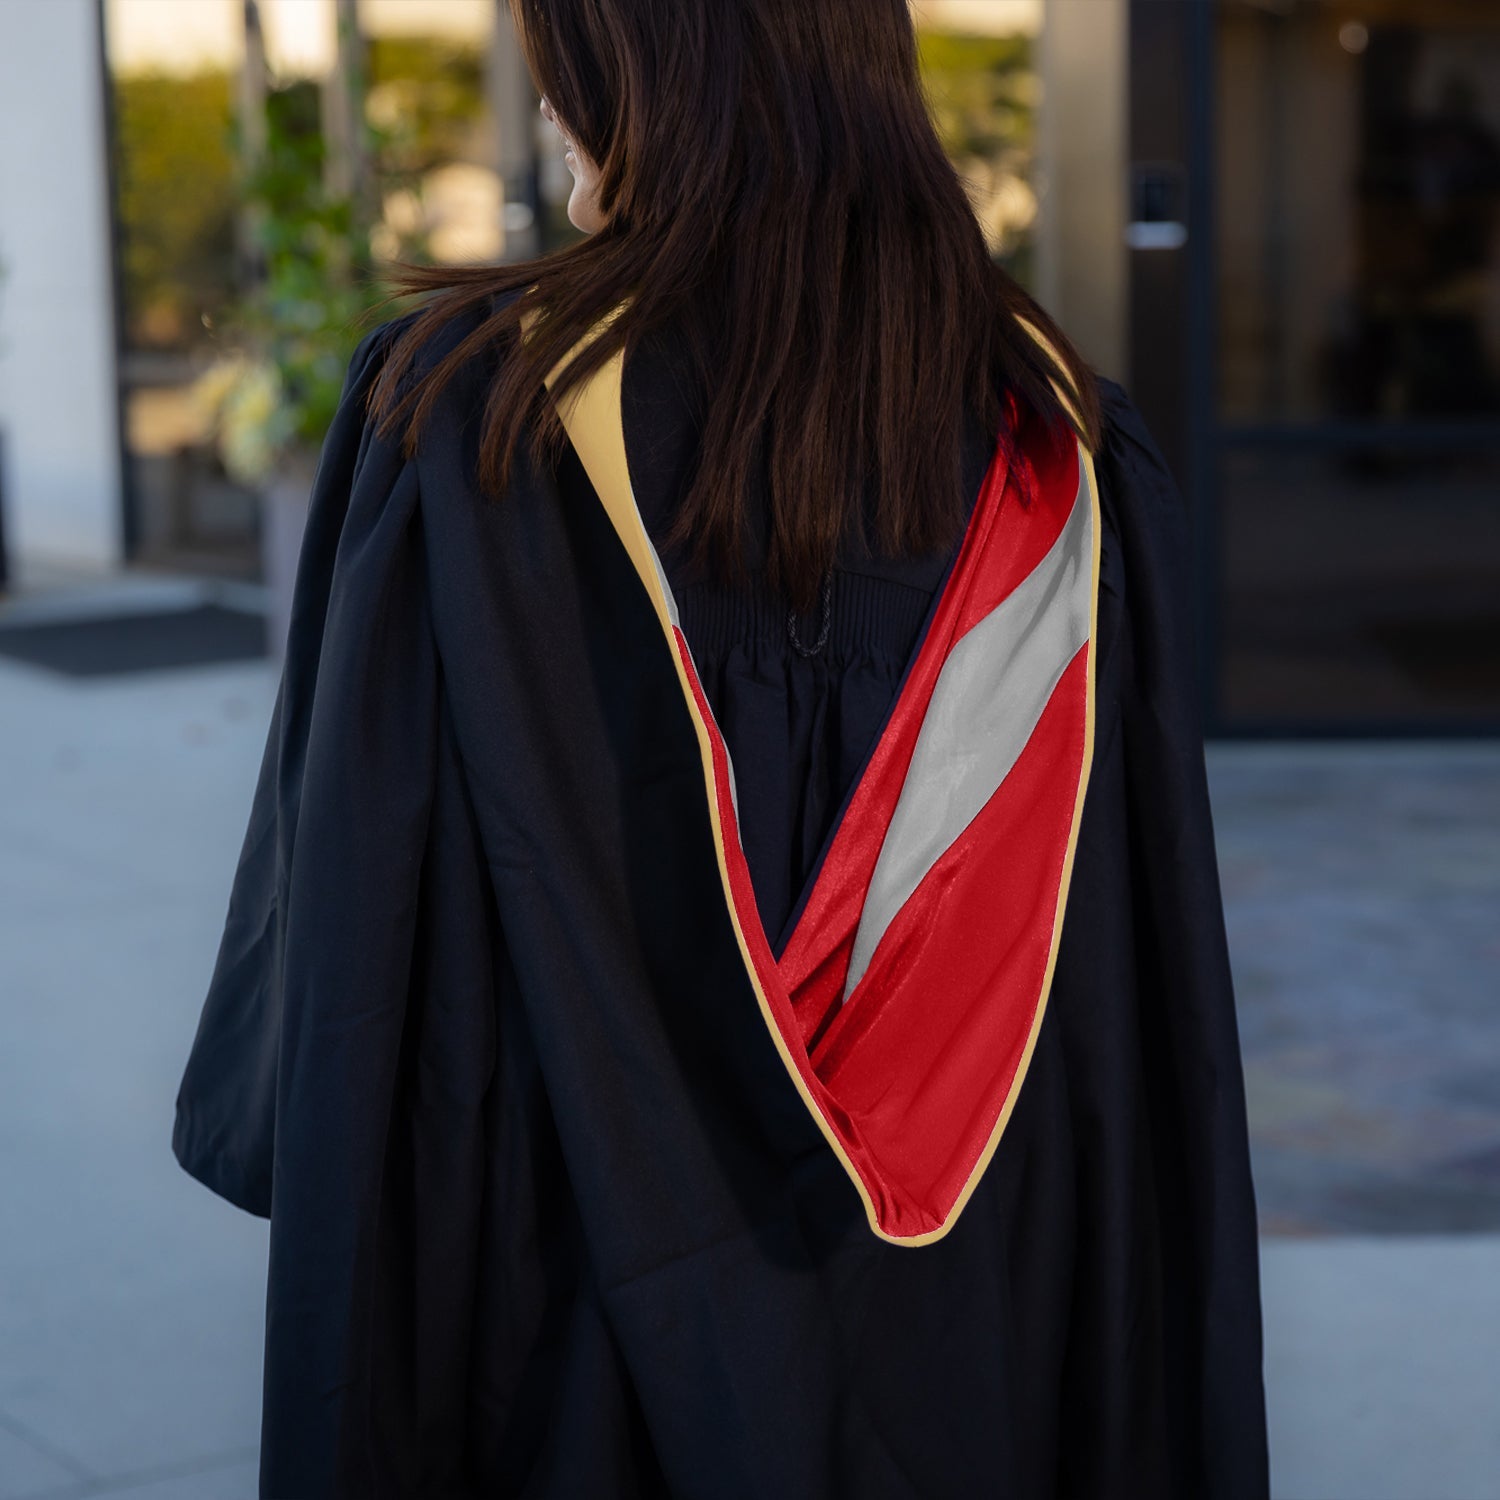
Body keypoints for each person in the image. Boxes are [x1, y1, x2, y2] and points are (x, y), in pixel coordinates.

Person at [172, 1, 1270, 1495]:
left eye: (565, 59)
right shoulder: (1054, 439)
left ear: (656, 73)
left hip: (563, 1281)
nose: (546, 104)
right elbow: (1132, 983)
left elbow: (355, 925)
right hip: (983, 1288)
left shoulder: (470, 421)